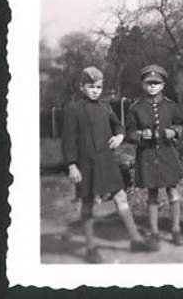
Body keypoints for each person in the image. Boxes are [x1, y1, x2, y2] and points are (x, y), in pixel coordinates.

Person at [61, 66, 151, 263]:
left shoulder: (106, 106)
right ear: (82, 87)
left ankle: (135, 239)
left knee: (120, 196)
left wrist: (119, 136)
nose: (95, 90)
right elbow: (67, 141)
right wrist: (71, 165)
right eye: (91, 86)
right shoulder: (73, 110)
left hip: (107, 161)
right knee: (88, 202)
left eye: (99, 87)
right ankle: (91, 247)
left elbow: (118, 125)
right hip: (85, 164)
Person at [126, 64, 183, 251]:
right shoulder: (136, 107)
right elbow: (128, 132)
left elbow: (182, 125)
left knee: (173, 191)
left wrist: (174, 132)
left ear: (163, 85)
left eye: (156, 83)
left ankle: (176, 229)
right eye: (148, 83)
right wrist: (138, 135)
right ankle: (154, 232)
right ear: (143, 85)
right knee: (152, 193)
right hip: (148, 155)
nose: (152, 86)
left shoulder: (170, 105)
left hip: (167, 154)